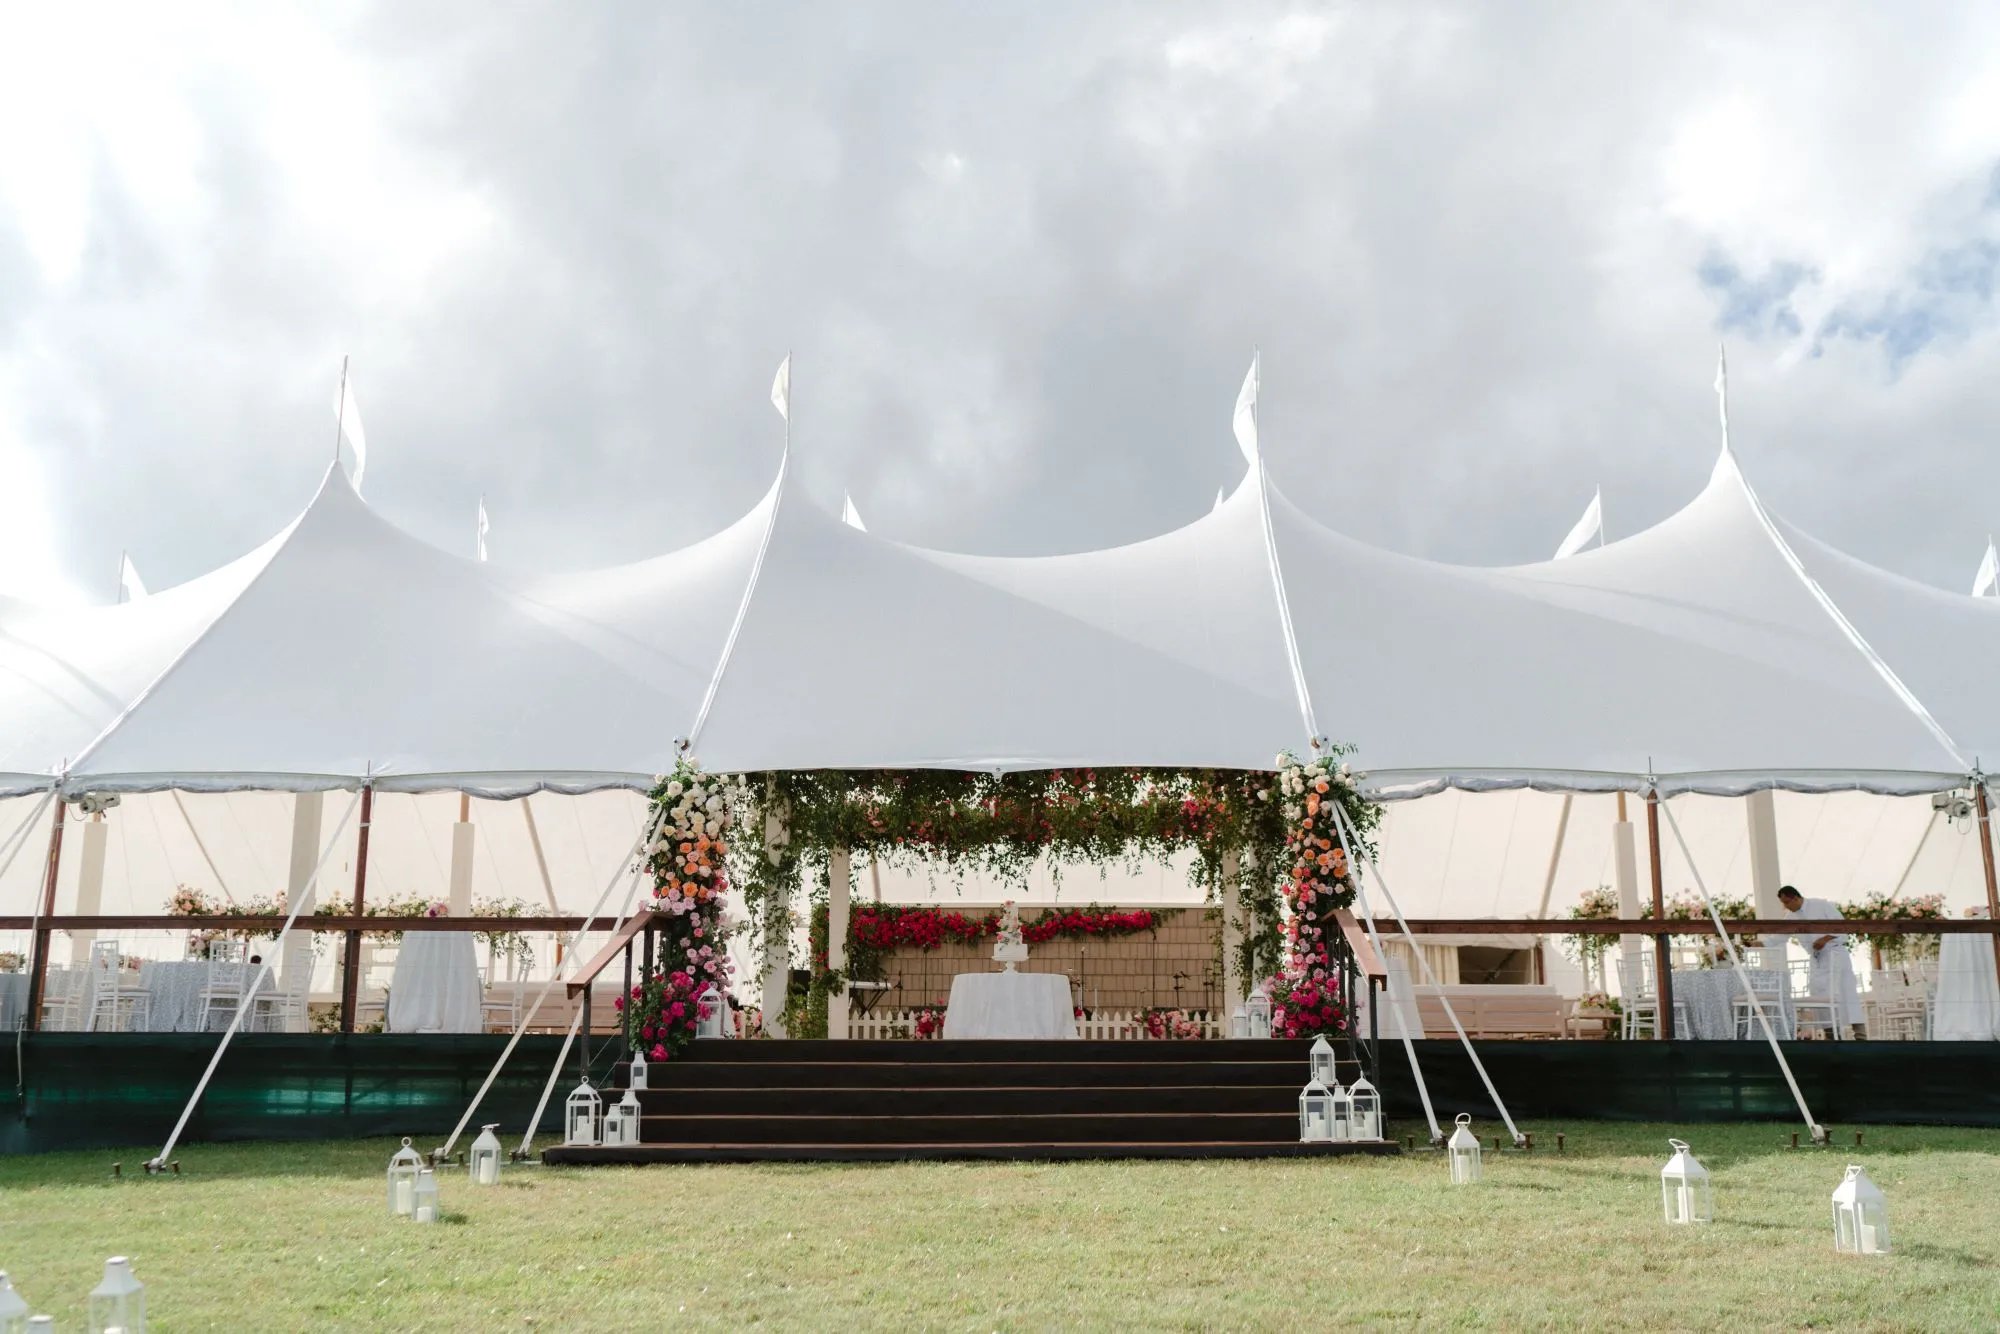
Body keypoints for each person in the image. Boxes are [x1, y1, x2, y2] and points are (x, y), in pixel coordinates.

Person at [1776, 885, 1864, 1039]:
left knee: (1847, 994)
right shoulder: (1790, 917)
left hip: (1836, 954)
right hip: (1817, 960)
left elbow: (1842, 926)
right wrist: (1760, 943)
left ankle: (1861, 1036)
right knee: (1821, 997)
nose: (1785, 906)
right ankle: (1832, 1037)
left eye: (1787, 902)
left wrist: (1825, 939)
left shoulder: (1821, 905)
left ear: (1796, 898)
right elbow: (1779, 937)